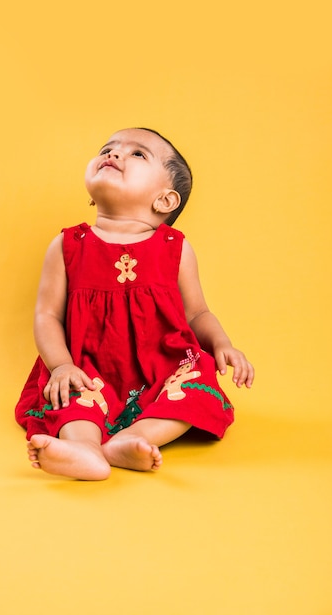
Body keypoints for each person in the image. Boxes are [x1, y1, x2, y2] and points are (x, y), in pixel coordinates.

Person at [15, 127, 254, 480]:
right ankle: (85, 450)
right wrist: (62, 365)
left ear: (165, 201)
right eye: (108, 148)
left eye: (137, 154)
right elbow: (47, 315)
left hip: (163, 366)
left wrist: (222, 344)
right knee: (69, 394)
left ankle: (133, 440)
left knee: (195, 388)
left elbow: (197, 312)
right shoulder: (69, 245)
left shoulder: (175, 247)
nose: (114, 154)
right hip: (88, 364)